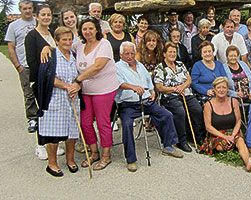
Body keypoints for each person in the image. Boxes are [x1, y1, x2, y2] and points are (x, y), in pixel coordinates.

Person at [116, 42, 183, 172]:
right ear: (121, 54)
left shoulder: (140, 65)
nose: (130, 56)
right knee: (127, 124)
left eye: (132, 53)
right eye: (126, 54)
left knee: (166, 115)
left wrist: (152, 92)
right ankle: (131, 159)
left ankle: (168, 146)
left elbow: (148, 81)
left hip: (146, 101)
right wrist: (133, 87)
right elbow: (119, 83)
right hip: (128, 104)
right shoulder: (117, 67)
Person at [75, 17, 119, 171]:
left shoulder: (104, 44)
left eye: (91, 28)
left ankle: (106, 155)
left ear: (96, 30)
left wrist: (78, 79)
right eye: (84, 29)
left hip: (104, 89)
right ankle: (94, 152)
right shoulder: (79, 46)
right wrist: (48, 48)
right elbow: (62, 47)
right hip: (86, 90)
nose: (87, 31)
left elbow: (98, 66)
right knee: (85, 123)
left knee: (102, 122)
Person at [37, 27, 81, 177]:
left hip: (72, 100)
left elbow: (79, 77)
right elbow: (46, 77)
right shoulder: (51, 55)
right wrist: (67, 86)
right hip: (55, 99)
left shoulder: (74, 56)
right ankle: (52, 164)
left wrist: (76, 85)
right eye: (64, 39)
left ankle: (70, 160)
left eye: (70, 39)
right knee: (53, 134)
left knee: (72, 133)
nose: (68, 42)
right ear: (56, 41)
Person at [200, 77, 251, 173]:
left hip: (232, 130)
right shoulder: (208, 105)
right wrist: (225, 137)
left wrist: (232, 135)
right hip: (217, 133)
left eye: (224, 87)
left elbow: (238, 121)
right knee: (220, 146)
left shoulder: (234, 102)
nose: (221, 90)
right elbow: (208, 127)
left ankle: (249, 162)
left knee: (240, 141)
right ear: (214, 89)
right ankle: (234, 147)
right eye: (218, 87)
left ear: (228, 89)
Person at [154, 42, 205, 152]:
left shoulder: (180, 64)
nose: (172, 54)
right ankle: (181, 140)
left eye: (174, 52)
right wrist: (174, 89)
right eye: (170, 52)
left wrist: (183, 86)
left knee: (197, 109)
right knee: (180, 112)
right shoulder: (160, 68)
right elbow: (159, 87)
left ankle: (198, 137)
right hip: (169, 96)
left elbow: (189, 79)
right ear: (164, 54)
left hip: (185, 92)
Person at [25, 3, 58, 160]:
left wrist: (50, 49)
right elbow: (32, 62)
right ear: (36, 16)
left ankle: (52, 142)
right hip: (41, 81)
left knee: (54, 112)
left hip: (54, 81)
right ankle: (40, 145)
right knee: (44, 113)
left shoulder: (51, 34)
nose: (46, 17)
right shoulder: (32, 36)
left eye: (48, 15)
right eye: (43, 14)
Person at [4, 0, 37, 133]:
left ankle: (44, 115)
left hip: (39, 64)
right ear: (20, 10)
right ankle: (32, 118)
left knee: (43, 91)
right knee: (28, 93)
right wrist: (18, 66)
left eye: (29, 8)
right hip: (24, 65)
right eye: (25, 8)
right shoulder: (14, 26)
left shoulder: (38, 22)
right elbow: (11, 47)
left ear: (33, 9)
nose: (28, 10)